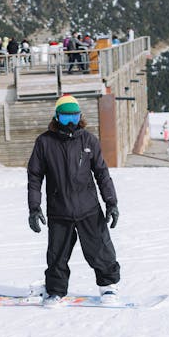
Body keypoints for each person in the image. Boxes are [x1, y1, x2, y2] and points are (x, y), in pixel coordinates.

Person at [27, 94, 120, 307]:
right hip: (59, 210)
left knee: (100, 250)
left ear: (80, 116)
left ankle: (109, 289)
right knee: (57, 255)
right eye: (66, 117)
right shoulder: (44, 142)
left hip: (88, 208)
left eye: (75, 117)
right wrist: (34, 207)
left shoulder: (89, 141)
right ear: (56, 117)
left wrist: (111, 202)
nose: (71, 122)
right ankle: (55, 292)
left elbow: (102, 174)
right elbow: (35, 176)